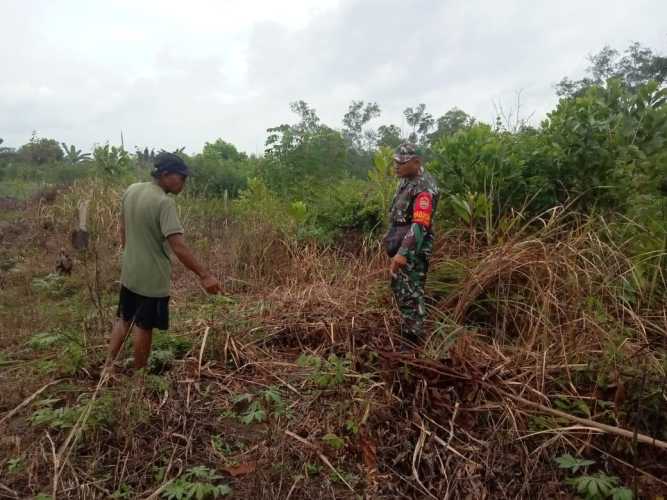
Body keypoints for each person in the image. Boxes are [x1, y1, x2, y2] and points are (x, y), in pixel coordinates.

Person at [104, 152, 220, 374]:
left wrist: (130, 254)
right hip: (152, 278)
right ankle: (140, 378)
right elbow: (178, 246)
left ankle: (108, 366)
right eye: (181, 178)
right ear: (166, 174)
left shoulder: (132, 189)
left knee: (124, 318)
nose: (184, 183)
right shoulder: (163, 202)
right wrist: (205, 275)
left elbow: (123, 229)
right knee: (144, 326)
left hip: (130, 271)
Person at [383, 143, 440, 344]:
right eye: (395, 161)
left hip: (413, 251)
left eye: (402, 162)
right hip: (401, 244)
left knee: (410, 293)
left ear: (417, 162)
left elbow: (420, 225)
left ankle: (413, 341)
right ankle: (408, 332)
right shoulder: (407, 180)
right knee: (402, 289)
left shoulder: (424, 187)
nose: (397, 165)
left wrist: (403, 253)